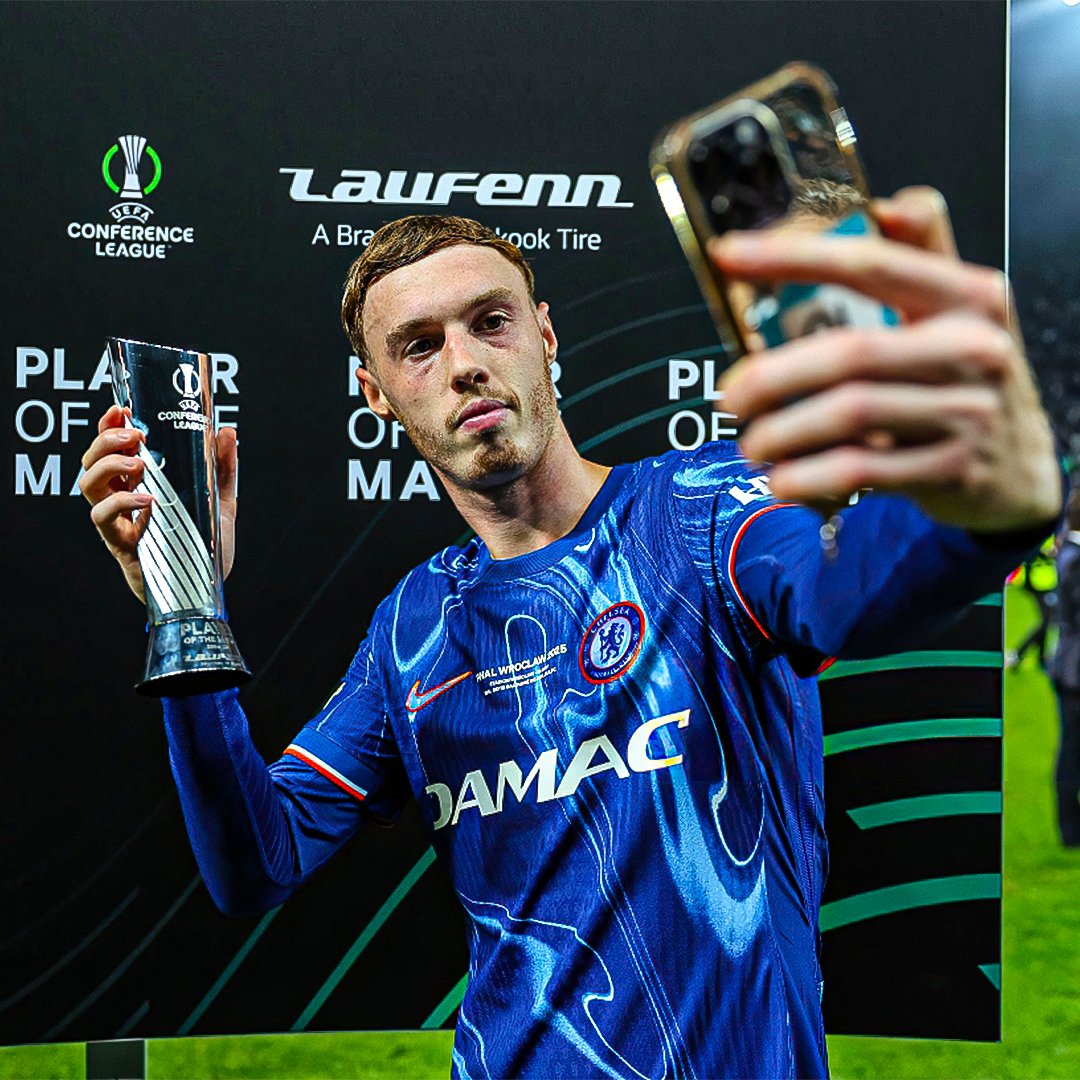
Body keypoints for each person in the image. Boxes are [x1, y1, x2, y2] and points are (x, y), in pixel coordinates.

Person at [80, 191, 1061, 1079]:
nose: (465, 363)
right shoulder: (413, 628)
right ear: (377, 394)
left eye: (491, 321)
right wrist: (184, 608)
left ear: (544, 336)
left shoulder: (704, 508)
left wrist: (988, 498)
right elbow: (257, 863)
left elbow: (844, 595)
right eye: (418, 345)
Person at [1050, 489, 1080, 846]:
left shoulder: (1070, 554)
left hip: (1070, 665)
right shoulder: (1074, 559)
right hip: (1075, 670)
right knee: (1072, 751)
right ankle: (1070, 828)